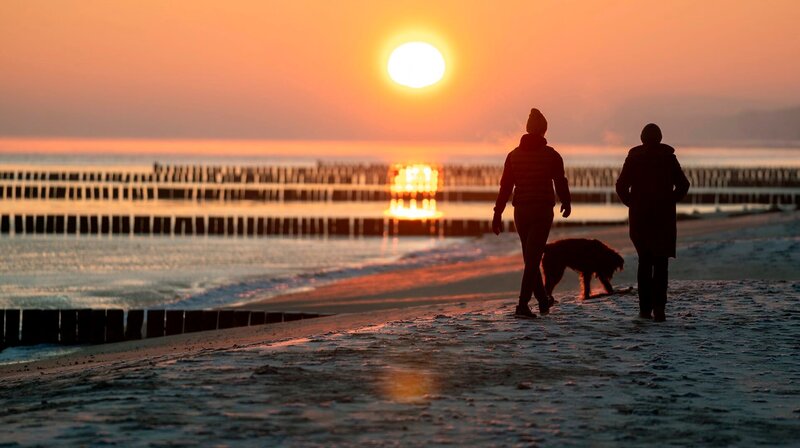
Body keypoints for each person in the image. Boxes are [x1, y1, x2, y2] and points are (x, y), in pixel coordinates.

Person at [493, 108, 572, 318]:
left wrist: (497, 213)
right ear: (544, 131)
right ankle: (522, 305)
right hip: (542, 211)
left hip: (521, 212)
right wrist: (566, 201)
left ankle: (543, 301)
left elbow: (505, 187)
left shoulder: (513, 156)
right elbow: (560, 181)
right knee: (532, 258)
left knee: (531, 257)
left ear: (528, 130)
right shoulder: (552, 155)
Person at [615, 123, 690, 322]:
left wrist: (632, 203)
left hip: (640, 217)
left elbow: (621, 186)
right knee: (661, 263)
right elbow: (684, 184)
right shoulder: (668, 158)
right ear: (659, 138)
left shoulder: (634, 158)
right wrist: (670, 201)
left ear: (642, 138)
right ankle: (660, 309)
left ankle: (644, 309)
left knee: (645, 263)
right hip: (663, 217)